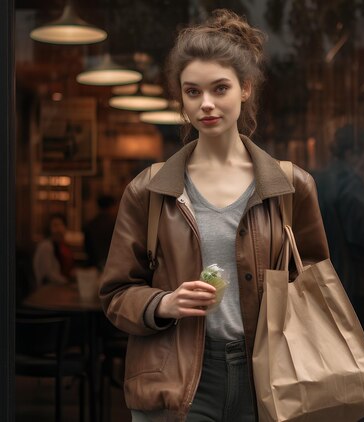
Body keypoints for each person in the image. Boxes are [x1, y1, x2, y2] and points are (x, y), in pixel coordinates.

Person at [99, 9, 329, 422]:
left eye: (219, 88)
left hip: (269, 377)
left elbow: (314, 283)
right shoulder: (149, 190)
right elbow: (115, 295)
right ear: (181, 99)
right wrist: (164, 302)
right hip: (178, 376)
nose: (206, 103)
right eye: (192, 92)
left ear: (245, 89)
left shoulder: (290, 187)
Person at [312, 125, 364, 335]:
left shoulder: (319, 178)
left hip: (321, 274)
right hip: (346, 277)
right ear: (351, 153)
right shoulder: (350, 182)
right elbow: (358, 235)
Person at [33, 213, 75, 287]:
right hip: (46, 290)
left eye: (61, 225)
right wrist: (68, 283)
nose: (59, 229)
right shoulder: (46, 247)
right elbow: (49, 275)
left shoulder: (60, 246)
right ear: (49, 229)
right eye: (55, 225)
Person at [83, 194, 117, 271]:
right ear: (111, 207)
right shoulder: (115, 224)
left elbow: (87, 248)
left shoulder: (90, 225)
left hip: (94, 266)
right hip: (112, 265)